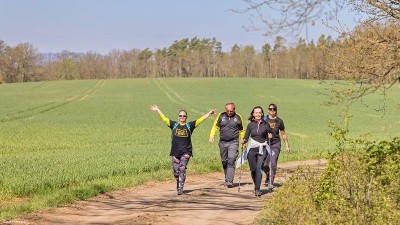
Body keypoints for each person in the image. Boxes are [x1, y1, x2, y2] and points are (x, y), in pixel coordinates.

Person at [149, 104, 216, 195]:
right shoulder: (174, 125)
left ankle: (180, 188)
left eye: (184, 116)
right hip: (175, 152)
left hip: (186, 151)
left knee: (182, 169)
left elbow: (200, 120)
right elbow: (164, 119)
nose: (182, 117)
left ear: (186, 117)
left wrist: (209, 113)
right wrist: (157, 110)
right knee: (176, 172)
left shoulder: (189, 125)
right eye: (180, 116)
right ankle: (178, 180)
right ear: (178, 117)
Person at [209, 102, 245, 188]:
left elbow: (242, 130)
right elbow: (215, 126)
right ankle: (227, 176)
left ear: (234, 110)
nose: (229, 112)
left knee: (231, 160)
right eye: (228, 111)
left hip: (234, 142)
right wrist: (211, 136)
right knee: (224, 161)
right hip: (223, 142)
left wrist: (243, 141)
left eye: (231, 111)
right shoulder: (221, 116)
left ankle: (229, 180)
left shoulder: (238, 117)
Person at [241, 106, 271, 197]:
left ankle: (257, 188)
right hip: (252, 149)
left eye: (259, 112)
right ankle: (256, 184)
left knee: (259, 168)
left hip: (262, 149)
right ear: (253, 114)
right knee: (253, 169)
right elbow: (246, 136)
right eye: (256, 113)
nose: (258, 114)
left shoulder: (266, 124)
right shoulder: (250, 125)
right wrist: (244, 141)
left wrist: (270, 136)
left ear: (262, 114)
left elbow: (269, 134)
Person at [262, 103, 291, 189]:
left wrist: (287, 145)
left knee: (273, 163)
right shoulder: (264, 119)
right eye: (270, 109)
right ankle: (267, 174)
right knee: (264, 165)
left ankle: (271, 182)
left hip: (275, 144)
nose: (272, 110)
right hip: (265, 144)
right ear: (268, 110)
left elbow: (283, 134)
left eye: (274, 109)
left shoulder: (279, 121)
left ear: (276, 110)